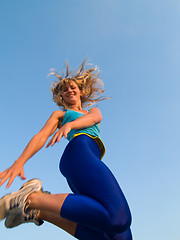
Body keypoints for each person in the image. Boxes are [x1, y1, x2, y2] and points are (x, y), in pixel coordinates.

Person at [0, 59, 132, 240]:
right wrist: (19, 161)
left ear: (81, 92)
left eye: (73, 87)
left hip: (89, 162)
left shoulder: (92, 111)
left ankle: (39, 212)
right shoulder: (60, 115)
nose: (69, 90)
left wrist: (71, 125)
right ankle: (31, 198)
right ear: (60, 97)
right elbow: (41, 136)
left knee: (119, 236)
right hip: (79, 154)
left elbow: (93, 119)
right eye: (64, 89)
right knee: (119, 219)